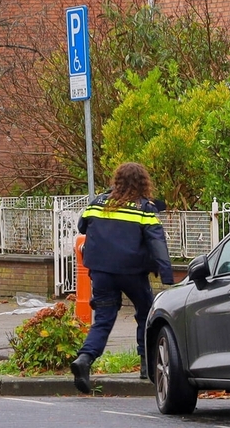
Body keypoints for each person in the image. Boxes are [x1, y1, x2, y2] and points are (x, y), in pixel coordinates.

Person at [70, 162, 173, 394]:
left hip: (102, 272)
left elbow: (82, 226)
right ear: (143, 182)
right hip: (132, 273)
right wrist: (167, 276)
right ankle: (147, 366)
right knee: (146, 315)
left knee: (104, 318)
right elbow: (157, 242)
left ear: (116, 180)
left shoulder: (97, 203)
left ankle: (85, 359)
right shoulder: (144, 209)